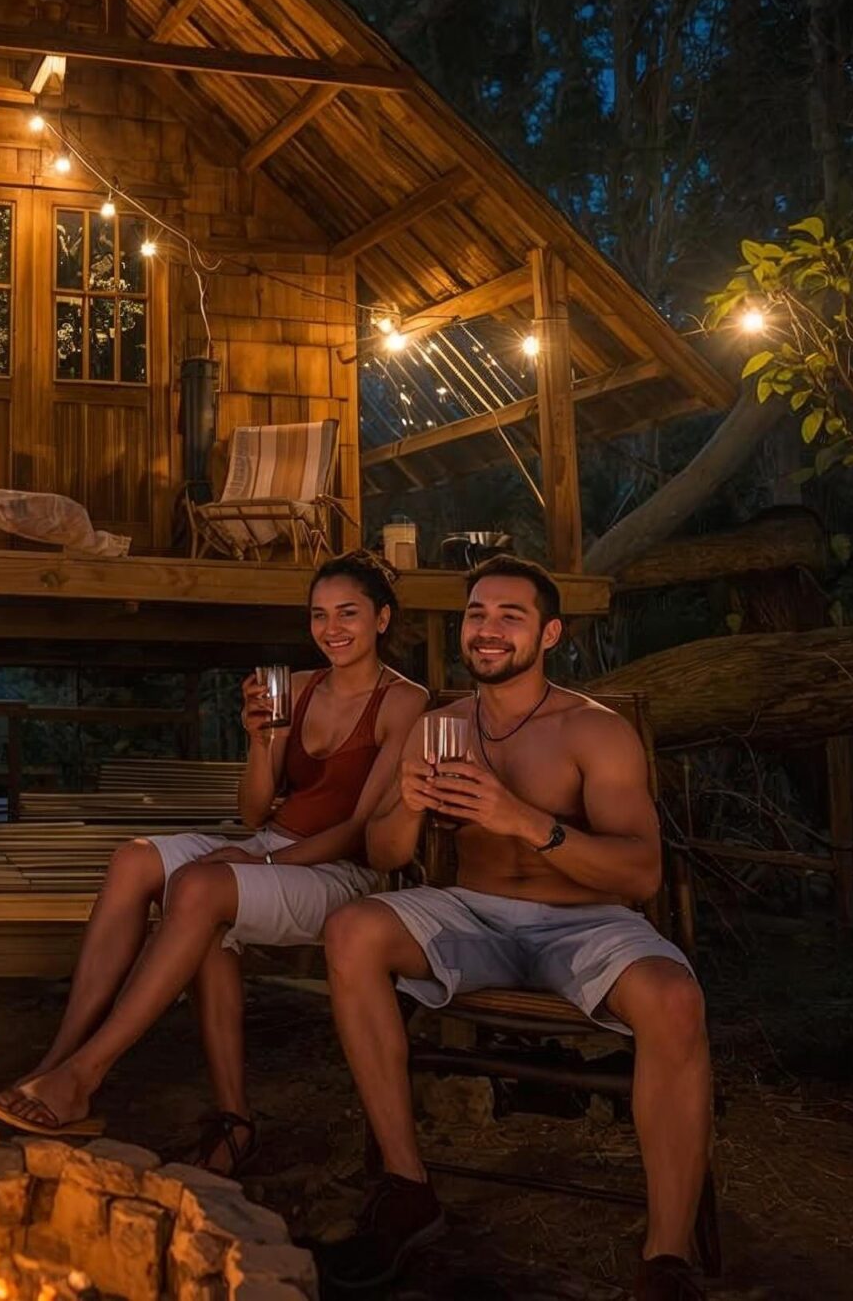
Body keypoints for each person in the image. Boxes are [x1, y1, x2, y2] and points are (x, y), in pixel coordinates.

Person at [315, 556, 713, 1301]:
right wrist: (404, 802)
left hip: (586, 922)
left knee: (674, 999)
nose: (488, 630)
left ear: (550, 633)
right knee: (351, 932)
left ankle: (667, 1259)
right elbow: (386, 855)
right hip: (472, 910)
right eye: (476, 614)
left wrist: (522, 821)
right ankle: (407, 1187)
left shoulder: (595, 732)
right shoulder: (437, 727)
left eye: (510, 616)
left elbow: (640, 876)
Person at [0, 552, 427, 1176]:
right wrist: (260, 743)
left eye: (348, 614)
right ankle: (55, 1063)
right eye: (319, 615)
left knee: (199, 889)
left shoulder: (403, 701)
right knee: (135, 861)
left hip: (340, 874)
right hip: (269, 847)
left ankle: (86, 1076)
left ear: (382, 619)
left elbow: (358, 827)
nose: (332, 629)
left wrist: (260, 859)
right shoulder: (293, 688)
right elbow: (252, 813)